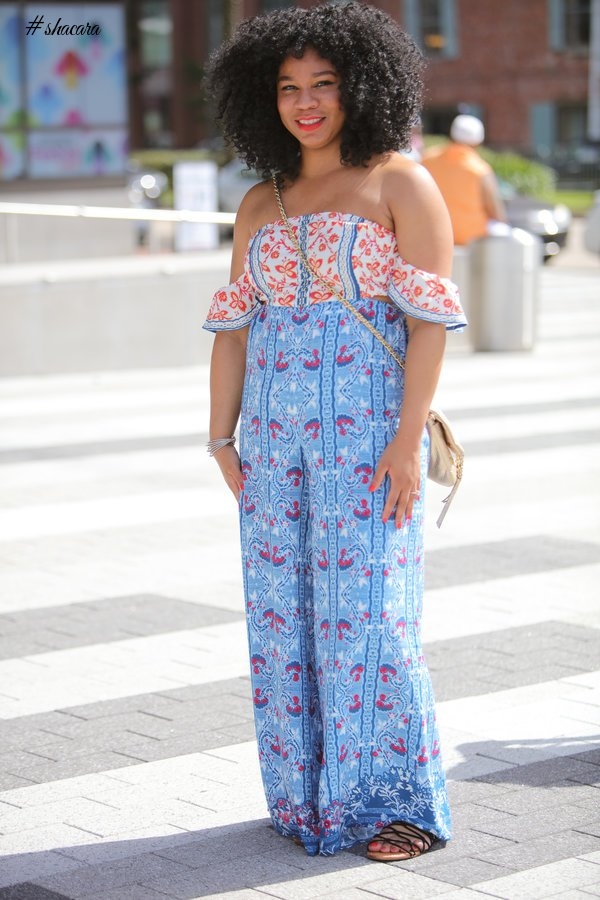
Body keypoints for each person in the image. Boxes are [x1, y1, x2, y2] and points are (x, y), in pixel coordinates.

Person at [203, 1, 466, 860]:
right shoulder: (260, 200)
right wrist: (221, 441)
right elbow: (235, 331)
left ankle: (397, 806)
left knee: (371, 622)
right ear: (263, 98)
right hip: (273, 452)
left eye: (323, 84)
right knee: (283, 624)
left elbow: (426, 322)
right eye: (287, 88)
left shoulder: (401, 181)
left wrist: (404, 440)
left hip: (365, 443)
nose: (305, 102)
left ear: (362, 86)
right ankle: (309, 799)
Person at [422, 114, 507, 245]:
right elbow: (496, 211)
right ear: (478, 142)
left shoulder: (427, 159)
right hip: (471, 238)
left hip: (434, 234)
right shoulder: (479, 169)